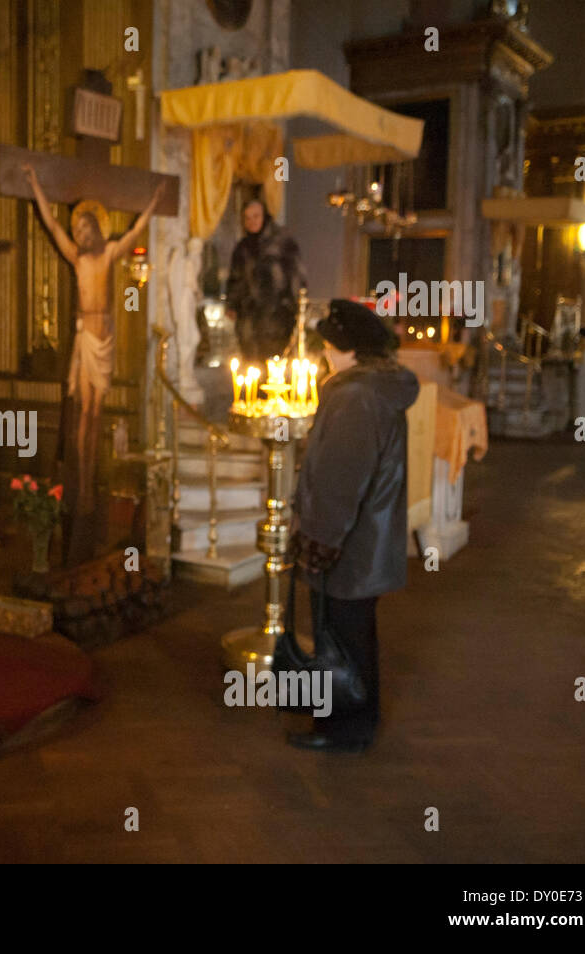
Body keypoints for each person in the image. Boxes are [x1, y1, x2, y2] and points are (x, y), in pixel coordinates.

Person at [288, 299, 418, 752]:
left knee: (342, 639)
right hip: (365, 542)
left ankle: (345, 727)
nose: (324, 353)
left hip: (349, 545)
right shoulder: (372, 390)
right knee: (352, 634)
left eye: (329, 346)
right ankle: (351, 719)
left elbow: (341, 480)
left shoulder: (356, 396)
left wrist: (320, 540)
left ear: (349, 351)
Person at [22, 163, 164, 514]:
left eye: (88, 228)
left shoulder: (109, 252)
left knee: (98, 411)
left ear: (99, 228)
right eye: (80, 229)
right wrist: (34, 182)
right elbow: (52, 225)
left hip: (107, 337)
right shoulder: (77, 257)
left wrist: (155, 201)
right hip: (86, 338)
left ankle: (91, 475)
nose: (83, 234)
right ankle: (82, 479)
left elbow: (135, 232)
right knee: (85, 411)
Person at [226, 198, 306, 365]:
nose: (251, 221)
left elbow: (297, 275)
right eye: (247, 218)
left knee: (274, 366)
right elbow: (235, 278)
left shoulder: (282, 242)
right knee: (251, 366)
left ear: (265, 217)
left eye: (255, 216)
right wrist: (232, 304)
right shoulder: (243, 247)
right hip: (249, 320)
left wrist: (297, 306)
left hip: (278, 318)